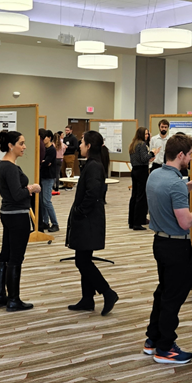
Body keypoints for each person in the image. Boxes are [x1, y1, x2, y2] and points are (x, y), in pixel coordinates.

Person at [143, 133, 192, 364]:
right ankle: (165, 348)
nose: (189, 159)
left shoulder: (155, 175)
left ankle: (152, 339)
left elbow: (169, 194)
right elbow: (186, 221)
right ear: (180, 155)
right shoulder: (175, 184)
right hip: (176, 246)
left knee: (163, 291)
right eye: (188, 155)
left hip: (160, 243)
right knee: (173, 297)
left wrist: (191, 185)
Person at [66, 131, 117, 315]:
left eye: (82, 142)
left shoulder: (94, 166)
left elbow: (93, 193)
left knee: (82, 261)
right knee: (84, 259)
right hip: (88, 219)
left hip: (88, 220)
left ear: (88, 146)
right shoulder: (93, 164)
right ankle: (87, 298)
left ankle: (107, 292)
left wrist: (80, 211)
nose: (79, 145)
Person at [0, 130, 40, 312]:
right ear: (10, 146)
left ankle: (0, 296)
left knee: (5, 253)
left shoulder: (3, 165)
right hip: (17, 215)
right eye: (21, 143)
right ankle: (13, 299)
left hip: (7, 213)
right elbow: (17, 194)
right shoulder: (11, 168)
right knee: (15, 257)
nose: (24, 147)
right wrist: (31, 188)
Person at [128, 126, 152, 230]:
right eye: (146, 134)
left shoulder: (133, 144)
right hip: (142, 171)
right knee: (141, 197)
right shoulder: (142, 145)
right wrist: (152, 153)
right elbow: (144, 158)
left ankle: (132, 221)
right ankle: (138, 222)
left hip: (135, 171)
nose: (147, 136)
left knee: (134, 196)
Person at [36, 129, 59, 232]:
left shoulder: (51, 150)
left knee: (46, 201)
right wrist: (43, 162)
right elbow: (42, 163)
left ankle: (55, 223)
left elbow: (45, 163)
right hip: (42, 177)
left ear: (49, 138)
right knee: (42, 201)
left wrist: (43, 162)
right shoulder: (42, 149)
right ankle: (45, 222)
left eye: (43, 138)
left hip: (48, 178)